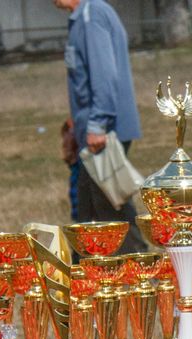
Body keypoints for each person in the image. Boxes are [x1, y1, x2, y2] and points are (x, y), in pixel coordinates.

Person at [53, 0, 143, 252]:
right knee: (90, 211)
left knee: (109, 210)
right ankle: (85, 277)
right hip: (92, 132)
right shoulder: (81, 18)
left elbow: (105, 76)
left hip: (105, 132)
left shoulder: (92, 17)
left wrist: (96, 125)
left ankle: (140, 270)